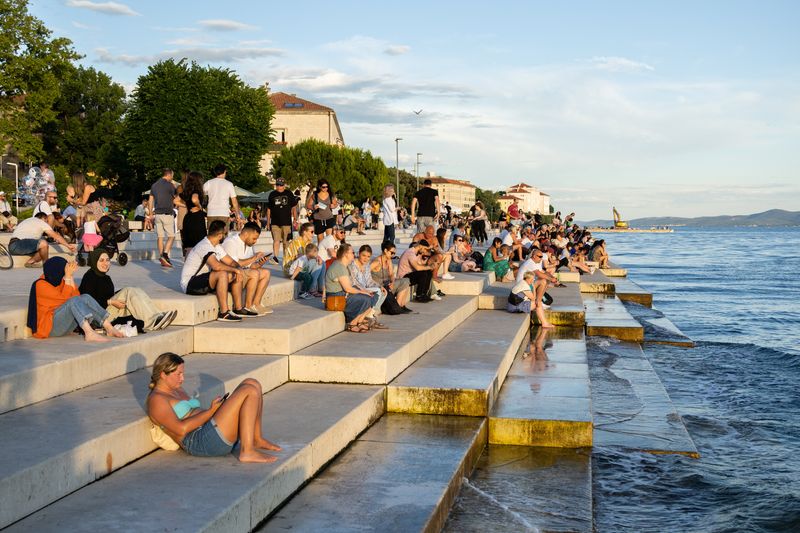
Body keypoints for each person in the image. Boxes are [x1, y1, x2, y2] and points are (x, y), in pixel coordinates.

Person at [146, 352, 281, 462]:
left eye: (183, 373)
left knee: (252, 383)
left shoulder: (176, 389)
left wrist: (215, 410)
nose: (182, 378)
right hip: (199, 441)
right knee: (249, 390)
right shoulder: (157, 400)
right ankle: (247, 451)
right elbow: (181, 429)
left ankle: (256, 439)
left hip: (209, 428)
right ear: (163, 374)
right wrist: (211, 411)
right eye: (178, 374)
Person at [27, 257, 126, 342]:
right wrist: (68, 277)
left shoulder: (59, 279)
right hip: (49, 328)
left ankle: (109, 327)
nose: (65, 272)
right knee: (73, 301)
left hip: (64, 326)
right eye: (64, 269)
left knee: (85, 297)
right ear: (57, 270)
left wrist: (70, 277)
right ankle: (89, 333)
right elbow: (65, 300)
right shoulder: (40, 285)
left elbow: (77, 296)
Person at [79, 249, 177, 332]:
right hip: (99, 317)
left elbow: (108, 295)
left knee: (137, 290)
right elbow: (87, 302)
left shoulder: (106, 278)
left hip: (110, 311)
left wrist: (115, 298)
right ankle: (151, 322)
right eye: (101, 260)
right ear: (94, 261)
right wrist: (111, 301)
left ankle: (158, 315)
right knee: (128, 291)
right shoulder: (89, 277)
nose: (105, 263)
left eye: (107, 260)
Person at [180, 220, 245, 322]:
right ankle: (223, 312)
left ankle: (238, 308)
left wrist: (238, 269)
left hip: (204, 279)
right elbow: (216, 266)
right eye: (225, 233)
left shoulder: (216, 246)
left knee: (234, 273)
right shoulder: (204, 246)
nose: (225, 236)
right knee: (222, 274)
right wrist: (235, 270)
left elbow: (231, 262)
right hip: (190, 284)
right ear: (220, 235)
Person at [221, 222, 273, 316]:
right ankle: (247, 307)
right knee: (254, 274)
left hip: (242, 273)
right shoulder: (231, 242)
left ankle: (256, 304)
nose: (255, 241)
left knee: (266, 272)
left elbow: (250, 266)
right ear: (246, 234)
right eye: (254, 238)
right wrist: (254, 258)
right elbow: (234, 264)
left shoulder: (248, 245)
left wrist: (259, 263)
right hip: (230, 276)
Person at [325, 243, 377, 333]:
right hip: (335, 298)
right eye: (352, 252)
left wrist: (364, 291)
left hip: (341, 295)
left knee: (373, 297)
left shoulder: (343, 266)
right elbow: (348, 288)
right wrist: (364, 292)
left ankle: (359, 321)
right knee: (366, 298)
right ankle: (352, 323)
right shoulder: (339, 266)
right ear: (346, 254)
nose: (354, 254)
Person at [9, 212, 76, 267]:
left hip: (14, 245)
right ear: (44, 218)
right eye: (47, 221)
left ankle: (30, 262)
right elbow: (56, 236)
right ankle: (47, 265)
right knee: (43, 243)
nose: (47, 223)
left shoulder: (28, 220)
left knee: (43, 250)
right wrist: (68, 245)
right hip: (17, 244)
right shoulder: (41, 222)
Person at [349, 244, 388, 329]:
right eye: (363, 255)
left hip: (366, 288)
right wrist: (365, 291)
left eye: (368, 256)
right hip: (356, 289)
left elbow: (369, 280)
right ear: (359, 254)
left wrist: (379, 286)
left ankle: (371, 314)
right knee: (377, 291)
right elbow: (353, 282)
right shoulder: (352, 264)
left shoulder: (367, 265)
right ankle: (369, 317)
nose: (366, 258)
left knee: (383, 292)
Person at [371, 240, 412, 311]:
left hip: (387, 286)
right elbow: (365, 274)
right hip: (380, 288)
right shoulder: (377, 262)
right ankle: (397, 307)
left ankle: (400, 305)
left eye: (394, 253)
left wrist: (392, 282)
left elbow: (391, 274)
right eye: (392, 253)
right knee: (404, 281)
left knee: (406, 280)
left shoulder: (388, 260)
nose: (393, 255)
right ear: (385, 250)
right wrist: (376, 285)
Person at [149, 168, 178, 267]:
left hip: (157, 214)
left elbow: (150, 200)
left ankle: (162, 257)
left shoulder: (154, 185)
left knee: (160, 237)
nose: (172, 177)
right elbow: (176, 198)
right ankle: (165, 254)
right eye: (172, 175)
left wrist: (150, 213)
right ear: (169, 175)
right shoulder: (170, 185)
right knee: (172, 236)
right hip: (167, 213)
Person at [266, 177, 298, 265]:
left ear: (284, 185)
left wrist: (295, 218)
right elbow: (269, 209)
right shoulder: (272, 194)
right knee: (276, 240)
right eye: (277, 185)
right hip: (275, 222)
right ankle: (275, 257)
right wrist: (268, 222)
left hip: (286, 222)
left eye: (280, 185)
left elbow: (294, 207)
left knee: (286, 242)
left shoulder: (289, 193)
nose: (279, 187)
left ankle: (286, 258)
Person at [204, 164, 242, 234]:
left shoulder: (209, 183)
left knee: (212, 235)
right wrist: (237, 215)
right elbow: (234, 201)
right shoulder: (229, 184)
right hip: (223, 213)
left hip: (211, 213)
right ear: (224, 172)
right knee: (223, 236)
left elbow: (201, 193)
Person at [179, 171, 206, 258]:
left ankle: (187, 266)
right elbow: (194, 199)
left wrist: (186, 205)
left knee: (189, 245)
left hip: (188, 218)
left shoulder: (186, 191)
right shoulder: (197, 191)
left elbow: (175, 200)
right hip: (197, 219)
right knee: (199, 243)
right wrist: (199, 206)